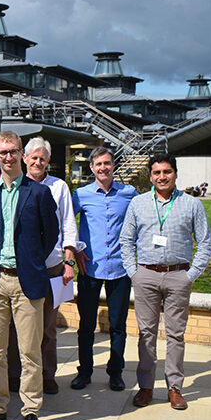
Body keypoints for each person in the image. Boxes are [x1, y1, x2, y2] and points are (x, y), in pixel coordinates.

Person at [0, 131, 57, 420]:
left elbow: (50, 236)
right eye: (2, 152)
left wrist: (31, 261)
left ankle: (31, 410)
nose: (7, 157)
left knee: (30, 351)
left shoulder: (39, 194)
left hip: (27, 281)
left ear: (22, 154)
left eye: (12, 151)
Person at [120, 152, 211, 410]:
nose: (162, 177)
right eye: (157, 172)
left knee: (175, 335)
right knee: (146, 334)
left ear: (175, 174)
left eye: (167, 172)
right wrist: (134, 272)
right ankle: (146, 387)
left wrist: (189, 276)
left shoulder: (192, 205)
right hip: (146, 276)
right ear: (150, 176)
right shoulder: (138, 204)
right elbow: (126, 241)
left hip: (178, 276)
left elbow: (205, 244)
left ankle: (175, 388)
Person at [7, 137, 78, 396]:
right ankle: (14, 374)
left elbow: (68, 225)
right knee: (17, 327)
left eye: (42, 158)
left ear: (48, 161)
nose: (37, 162)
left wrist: (69, 262)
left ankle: (47, 375)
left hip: (51, 268)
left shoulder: (59, 187)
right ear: (24, 158)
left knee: (47, 327)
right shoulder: (13, 185)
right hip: (19, 267)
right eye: (33, 157)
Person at [71, 146, 137, 392]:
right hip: (90, 268)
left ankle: (115, 372)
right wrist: (75, 249)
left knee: (118, 324)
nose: (103, 168)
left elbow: (140, 222)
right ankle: (84, 371)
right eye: (98, 164)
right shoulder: (81, 194)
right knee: (86, 324)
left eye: (107, 163)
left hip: (119, 268)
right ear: (91, 167)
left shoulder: (129, 193)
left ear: (113, 165)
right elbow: (66, 222)